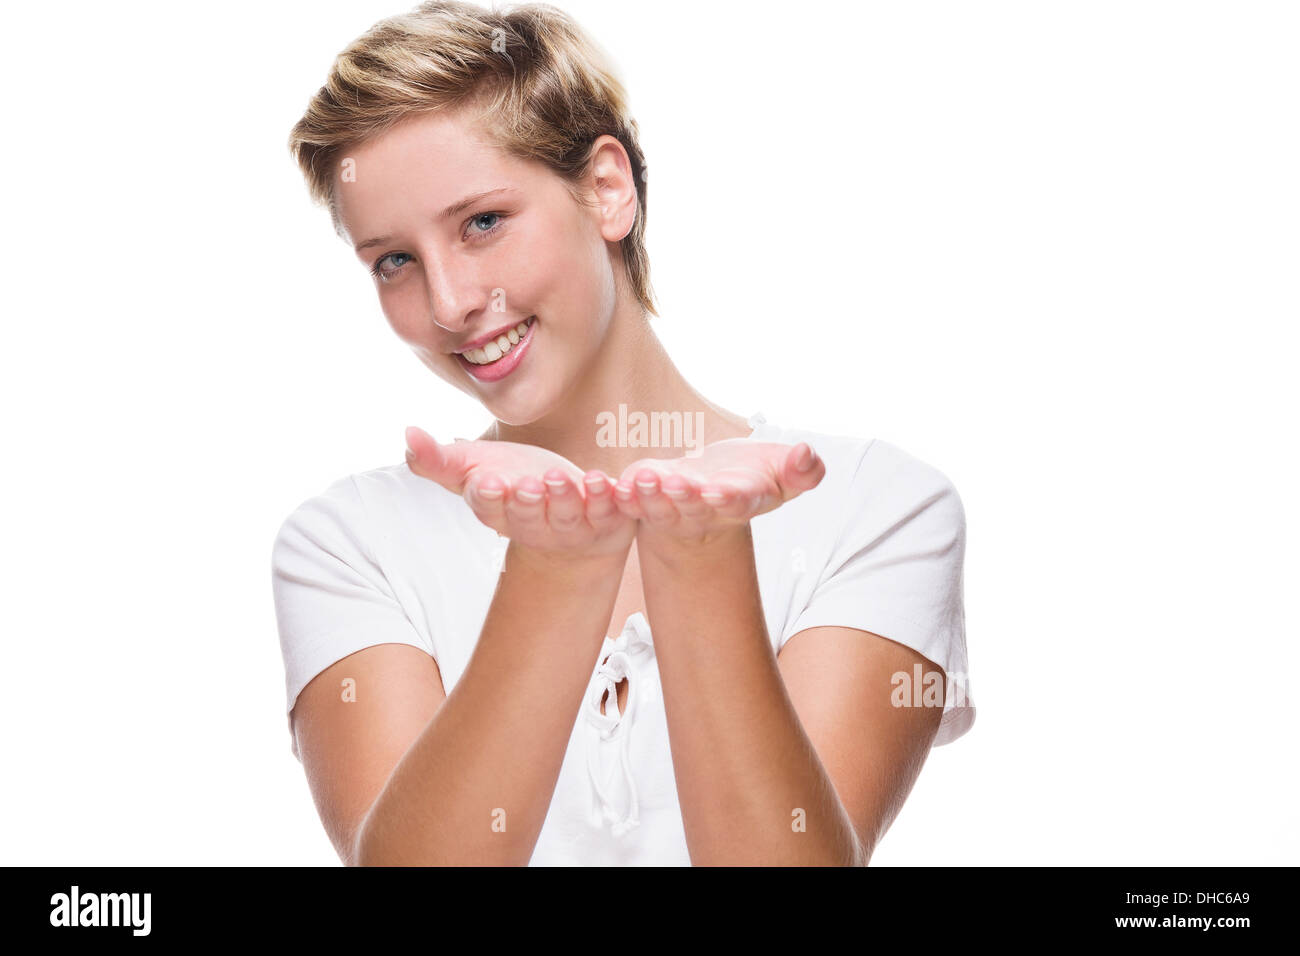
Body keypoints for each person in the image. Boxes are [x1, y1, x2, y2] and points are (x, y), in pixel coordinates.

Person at [272, 0, 975, 866]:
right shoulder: (348, 544)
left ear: (608, 189)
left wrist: (703, 556)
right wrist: (556, 570)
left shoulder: (876, 507)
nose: (451, 301)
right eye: (394, 261)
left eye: (483, 222)